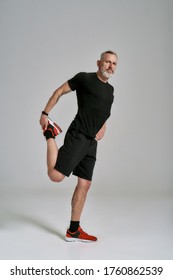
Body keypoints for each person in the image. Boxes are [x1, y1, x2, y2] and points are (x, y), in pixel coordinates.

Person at [39, 50, 118, 242]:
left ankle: (73, 229)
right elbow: (59, 91)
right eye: (107, 62)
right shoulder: (84, 79)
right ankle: (50, 134)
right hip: (79, 135)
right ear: (99, 62)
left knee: (85, 183)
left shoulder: (110, 90)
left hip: (92, 142)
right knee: (55, 175)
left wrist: (104, 126)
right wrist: (45, 113)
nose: (110, 66)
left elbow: (102, 112)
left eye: (114, 63)